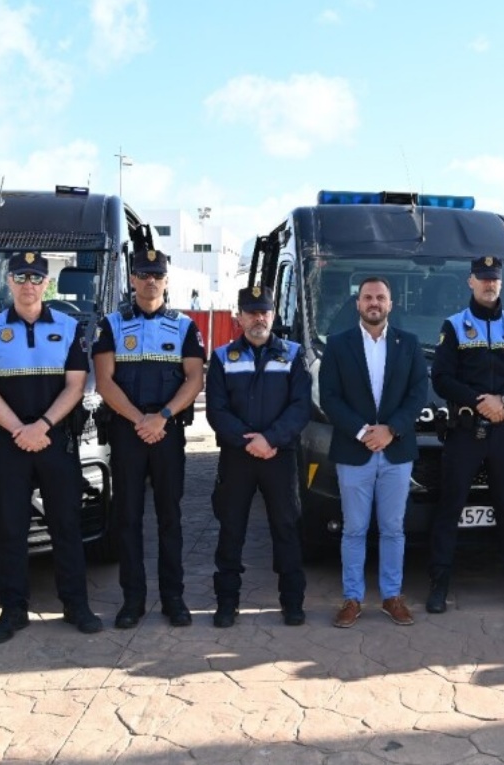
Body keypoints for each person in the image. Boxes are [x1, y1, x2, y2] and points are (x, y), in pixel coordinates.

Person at [0, 252, 102, 644]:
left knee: (67, 525)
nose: (28, 284)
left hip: (55, 440)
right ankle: (13, 611)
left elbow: (76, 385)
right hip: (11, 443)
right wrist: (19, 430)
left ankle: (76, 605)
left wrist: (42, 426)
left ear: (47, 283)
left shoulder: (68, 326)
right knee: (11, 529)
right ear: (8, 282)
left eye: (36, 277)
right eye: (21, 277)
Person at [92, 249, 204, 629]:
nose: (150, 280)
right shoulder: (112, 324)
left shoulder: (184, 325)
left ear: (167, 280)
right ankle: (132, 600)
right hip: (128, 431)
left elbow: (194, 378)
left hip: (167, 432)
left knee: (170, 518)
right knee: (128, 518)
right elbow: (105, 381)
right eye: (143, 273)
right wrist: (141, 419)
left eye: (157, 273)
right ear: (133, 280)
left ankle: (174, 598)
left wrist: (163, 417)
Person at [427, 255, 504, 614]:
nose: (489, 283)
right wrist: (480, 401)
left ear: (501, 283)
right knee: (450, 510)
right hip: (465, 432)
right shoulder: (455, 325)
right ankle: (439, 586)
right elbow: (442, 377)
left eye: (494, 278)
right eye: (483, 277)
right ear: (471, 282)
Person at [319, 276, 429, 628]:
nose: (374, 303)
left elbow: (417, 394)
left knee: (393, 529)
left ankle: (392, 597)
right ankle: (352, 599)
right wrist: (365, 431)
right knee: (354, 529)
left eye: (381, 297)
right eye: (368, 297)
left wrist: (391, 429)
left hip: (397, 451)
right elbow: (330, 397)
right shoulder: (338, 345)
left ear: (391, 304)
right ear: (358, 303)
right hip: (355, 450)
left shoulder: (409, 344)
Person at [206, 286, 312, 627]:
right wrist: (247, 440)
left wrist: (270, 439)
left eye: (264, 311)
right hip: (238, 458)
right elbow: (216, 411)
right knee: (231, 529)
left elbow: (300, 407)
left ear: (274, 314)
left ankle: (292, 603)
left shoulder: (293, 355)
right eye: (251, 312)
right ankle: (227, 603)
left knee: (286, 528)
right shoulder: (223, 357)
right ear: (239, 317)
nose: (259, 318)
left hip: (279, 456)